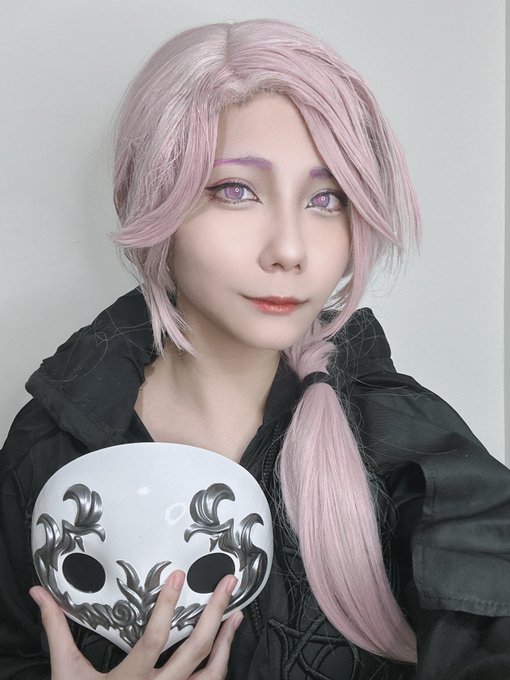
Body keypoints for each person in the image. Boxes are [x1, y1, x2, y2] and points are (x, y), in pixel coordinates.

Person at [0, 18, 509, 680]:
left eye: (327, 199)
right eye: (235, 191)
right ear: (154, 198)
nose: (290, 250)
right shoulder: (48, 449)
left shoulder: (406, 448)